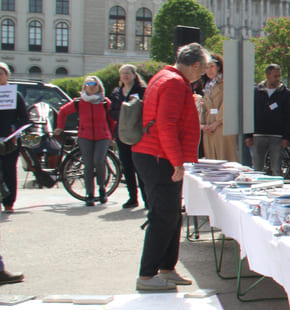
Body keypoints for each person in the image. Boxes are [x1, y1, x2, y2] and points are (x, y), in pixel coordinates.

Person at [132, 43, 207, 291]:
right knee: (163, 216)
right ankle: (147, 275)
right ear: (194, 65)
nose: (201, 75)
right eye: (202, 70)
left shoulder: (166, 77)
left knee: (172, 215)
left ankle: (166, 267)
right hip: (159, 156)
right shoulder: (174, 82)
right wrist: (177, 162)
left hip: (155, 154)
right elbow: (166, 125)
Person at [56, 75, 113, 206]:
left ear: (99, 87)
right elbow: (62, 111)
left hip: (103, 136)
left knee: (99, 161)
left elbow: (112, 120)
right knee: (88, 165)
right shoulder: (79, 102)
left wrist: (113, 137)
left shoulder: (105, 102)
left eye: (94, 84)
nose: (92, 87)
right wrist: (60, 127)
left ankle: (102, 187)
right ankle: (90, 194)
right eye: (89, 84)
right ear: (84, 87)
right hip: (85, 136)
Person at [108, 64, 147, 208]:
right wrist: (124, 112)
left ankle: (147, 199)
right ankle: (132, 197)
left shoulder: (141, 90)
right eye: (122, 73)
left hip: (137, 132)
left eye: (127, 73)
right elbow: (112, 112)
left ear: (134, 75)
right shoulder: (117, 92)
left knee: (140, 167)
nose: (125, 76)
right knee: (127, 166)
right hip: (122, 132)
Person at [246, 64, 290, 176]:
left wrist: (286, 137)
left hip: (277, 136)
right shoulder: (256, 91)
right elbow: (249, 112)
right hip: (258, 135)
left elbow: (289, 116)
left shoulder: (284, 93)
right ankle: (257, 186)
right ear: (267, 75)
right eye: (275, 76)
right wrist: (248, 135)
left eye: (279, 76)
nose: (278, 79)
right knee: (257, 168)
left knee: (276, 168)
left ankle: (278, 186)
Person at [0, 62, 30, 213]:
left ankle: (9, 203)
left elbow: (24, 118)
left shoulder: (15, 95)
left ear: (7, 76)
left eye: (1, 73)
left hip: (10, 140)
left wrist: (14, 128)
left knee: (9, 171)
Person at [199, 56, 237, 162]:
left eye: (212, 66)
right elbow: (204, 107)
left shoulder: (226, 83)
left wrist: (217, 122)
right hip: (208, 127)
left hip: (222, 125)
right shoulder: (206, 85)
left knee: (225, 158)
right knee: (211, 160)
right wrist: (203, 125)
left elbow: (228, 103)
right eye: (206, 67)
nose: (209, 70)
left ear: (218, 67)